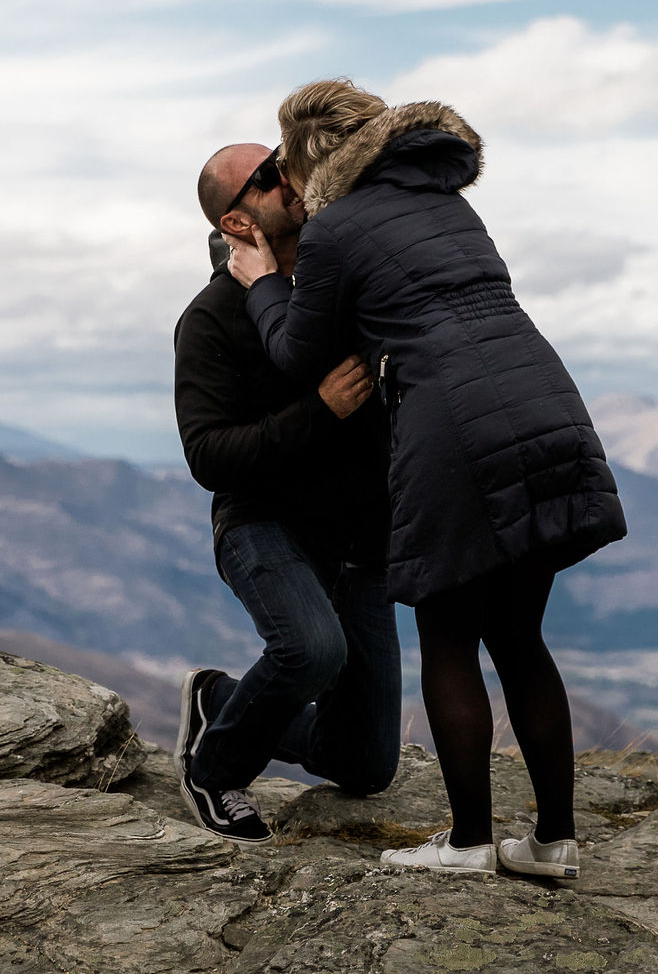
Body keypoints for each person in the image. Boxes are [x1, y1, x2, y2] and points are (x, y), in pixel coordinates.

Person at [224, 81, 626, 878]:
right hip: (546, 404)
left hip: (456, 425)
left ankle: (471, 842)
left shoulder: (337, 227)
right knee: (518, 636)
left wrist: (262, 281)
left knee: (448, 634)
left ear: (309, 160)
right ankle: (553, 842)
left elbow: (299, 351)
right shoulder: (450, 205)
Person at [170, 141, 401, 843]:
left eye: (282, 160)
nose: (289, 176)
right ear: (238, 224)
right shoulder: (211, 317)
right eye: (269, 176)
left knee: (365, 765)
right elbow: (209, 454)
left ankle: (221, 698)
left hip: (357, 541)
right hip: (261, 525)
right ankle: (214, 768)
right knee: (311, 649)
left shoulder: (337, 287)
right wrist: (318, 410)